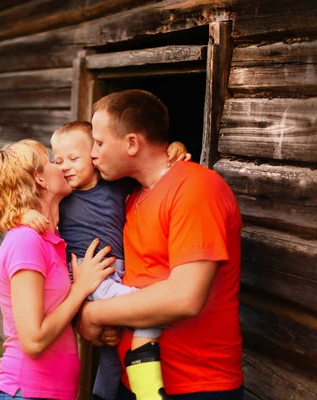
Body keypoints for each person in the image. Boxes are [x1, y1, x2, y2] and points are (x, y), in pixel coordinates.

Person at [77, 89, 244, 400]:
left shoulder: (196, 188)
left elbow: (184, 298)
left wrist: (94, 314)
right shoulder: (133, 196)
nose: (92, 153)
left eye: (99, 143)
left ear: (131, 143)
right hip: (136, 381)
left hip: (195, 385)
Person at [22, 122, 189, 400]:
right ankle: (149, 388)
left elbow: (151, 170)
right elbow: (21, 205)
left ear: (95, 157)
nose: (64, 167)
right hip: (88, 275)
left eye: (74, 159)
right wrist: (24, 216)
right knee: (149, 307)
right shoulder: (63, 196)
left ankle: (101, 395)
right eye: (58, 160)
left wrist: (174, 149)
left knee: (111, 353)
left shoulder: (116, 185)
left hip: (117, 271)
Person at [0, 139, 117, 400]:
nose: (62, 167)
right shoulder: (26, 241)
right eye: (53, 162)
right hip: (25, 391)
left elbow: (56, 314)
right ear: (40, 179)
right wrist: (80, 288)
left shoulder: (51, 239)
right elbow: (33, 341)